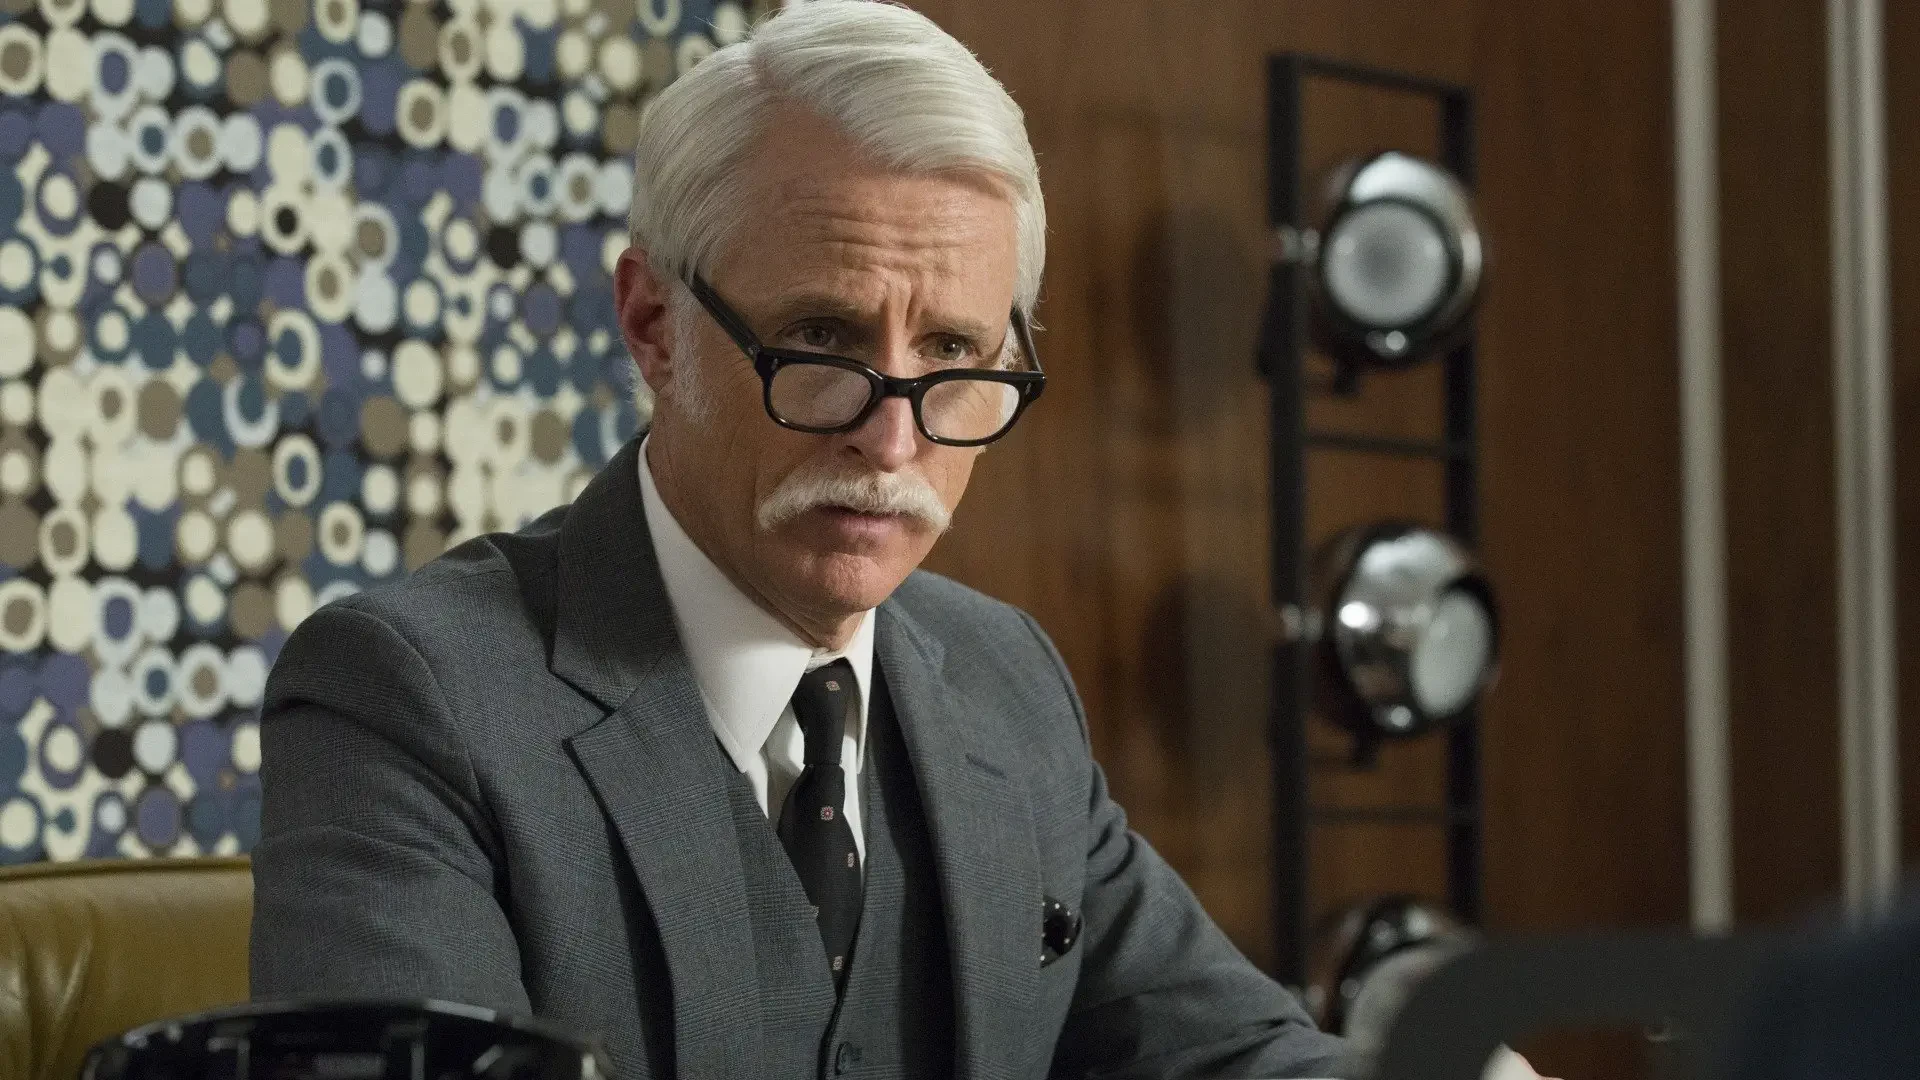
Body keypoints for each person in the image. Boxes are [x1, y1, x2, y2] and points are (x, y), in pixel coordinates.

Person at [250, 3, 1380, 1078]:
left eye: (952, 353)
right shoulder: (408, 697)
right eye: (824, 338)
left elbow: (1240, 1053)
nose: (892, 442)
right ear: (654, 326)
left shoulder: (1009, 684)